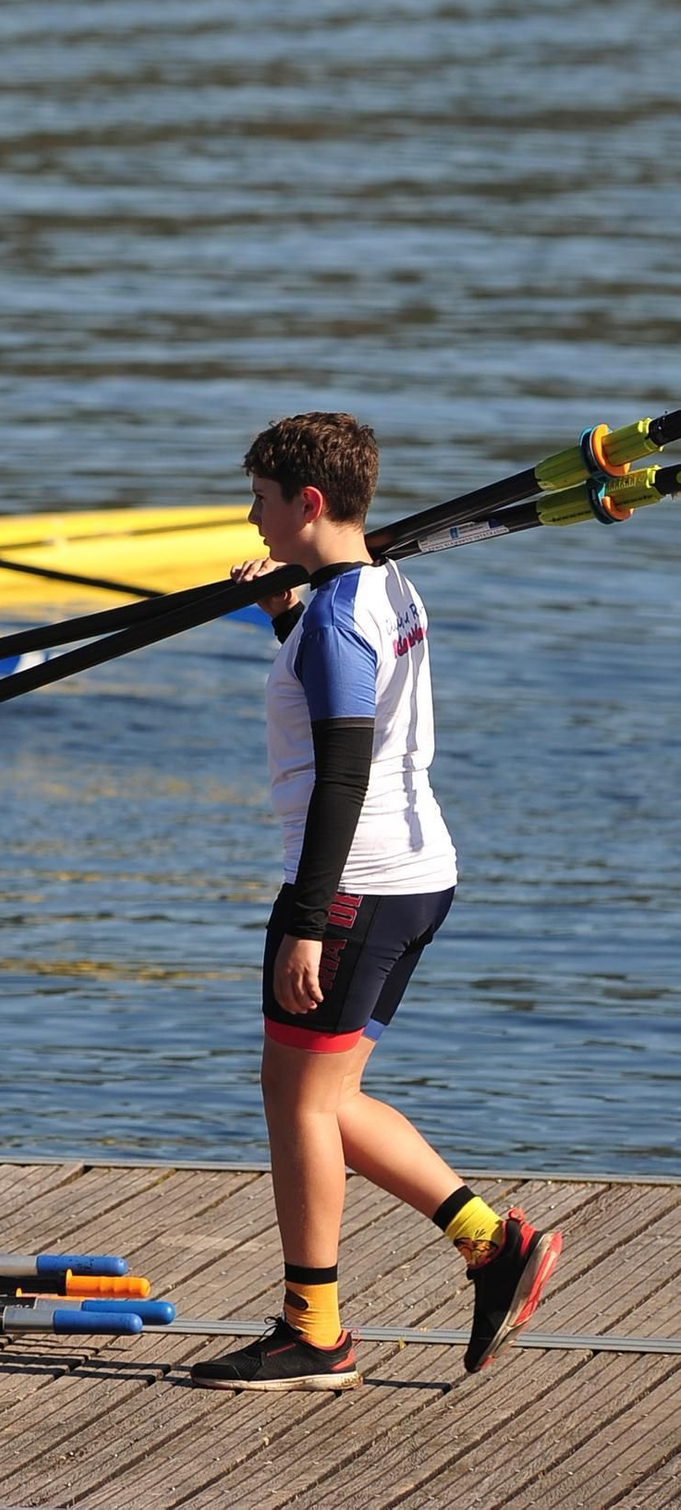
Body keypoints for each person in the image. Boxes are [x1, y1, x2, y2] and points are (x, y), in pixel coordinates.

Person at [188, 411, 561, 1394]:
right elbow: (347, 706)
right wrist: (280, 616)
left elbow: (340, 778)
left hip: (357, 881)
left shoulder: (335, 623)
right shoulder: (382, 584)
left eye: (262, 502)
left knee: (297, 1100)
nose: (253, 520)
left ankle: (314, 1333)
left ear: (308, 503)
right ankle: (495, 1243)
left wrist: (307, 922)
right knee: (325, 1100)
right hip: (417, 872)